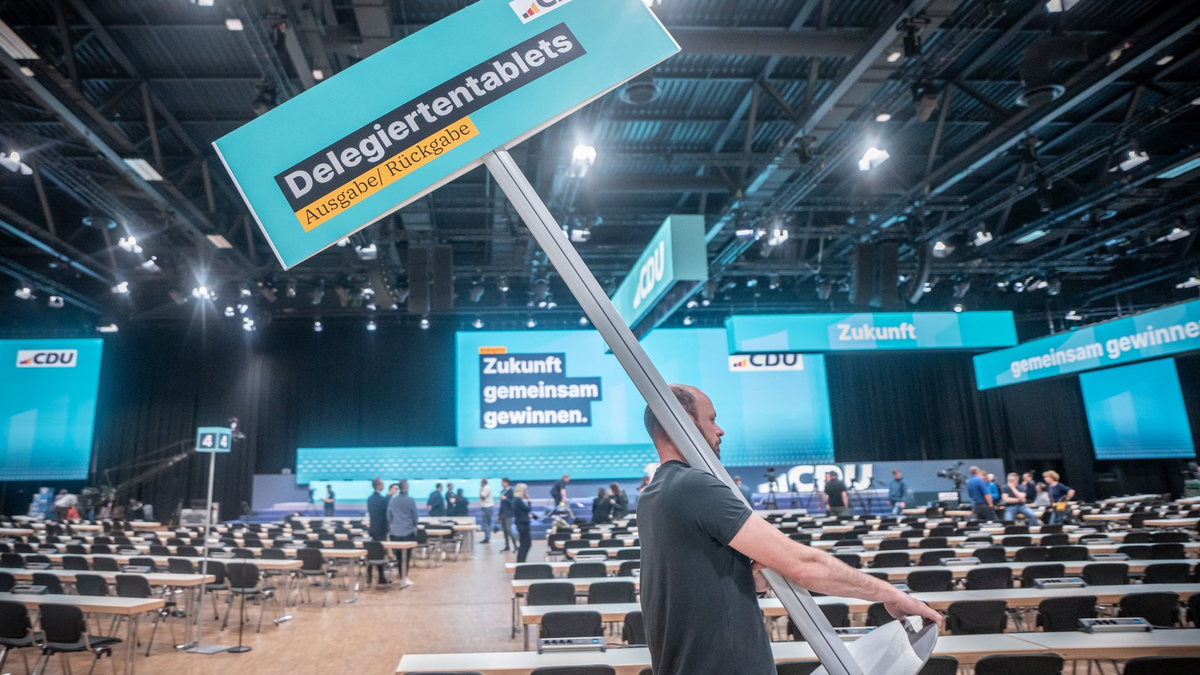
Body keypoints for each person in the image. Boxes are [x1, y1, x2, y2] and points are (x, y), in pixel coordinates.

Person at [639, 384, 940, 675]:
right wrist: (889, 593)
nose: (720, 430)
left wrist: (747, 574)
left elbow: (694, 580)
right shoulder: (694, 486)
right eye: (712, 419)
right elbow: (805, 566)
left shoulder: (654, 496)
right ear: (685, 421)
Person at [386, 479, 418, 588]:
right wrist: (414, 525)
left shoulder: (393, 500)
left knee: (399, 556)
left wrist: (393, 524)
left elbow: (388, 515)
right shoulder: (410, 500)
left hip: (395, 532)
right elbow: (415, 517)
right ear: (406, 487)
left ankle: (401, 576)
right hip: (408, 531)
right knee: (407, 556)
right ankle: (404, 577)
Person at [513, 482, 534, 563]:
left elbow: (521, 511)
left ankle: (521, 561)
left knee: (523, 544)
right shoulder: (519, 501)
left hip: (520, 523)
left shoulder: (516, 500)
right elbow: (528, 509)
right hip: (523, 524)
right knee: (526, 544)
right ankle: (521, 561)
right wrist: (528, 500)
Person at [366, 478, 389, 548]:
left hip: (372, 528)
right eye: (382, 484)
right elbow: (385, 515)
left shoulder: (370, 499)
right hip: (381, 530)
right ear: (379, 486)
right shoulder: (383, 500)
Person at [498, 477, 517, 552]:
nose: (502, 484)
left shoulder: (511, 491)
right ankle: (507, 546)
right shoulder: (502, 491)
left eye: (503, 482)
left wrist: (506, 499)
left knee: (509, 530)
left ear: (507, 483)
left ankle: (515, 546)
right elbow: (501, 504)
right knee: (505, 531)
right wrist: (499, 514)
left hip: (508, 514)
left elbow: (512, 503)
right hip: (503, 513)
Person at [478, 478, 494, 544]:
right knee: (487, 523)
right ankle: (487, 537)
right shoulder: (486, 488)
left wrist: (481, 490)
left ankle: (487, 538)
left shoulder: (486, 488)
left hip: (487, 507)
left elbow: (482, 496)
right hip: (487, 507)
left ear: (483, 482)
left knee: (486, 523)